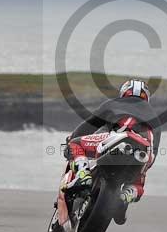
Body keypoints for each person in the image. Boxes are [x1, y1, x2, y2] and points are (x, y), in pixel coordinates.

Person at [62, 79, 161, 223]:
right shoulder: (155, 117)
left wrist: (71, 139)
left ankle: (83, 174)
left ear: (124, 92)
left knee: (75, 144)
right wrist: (145, 167)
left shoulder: (113, 104)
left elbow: (88, 126)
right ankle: (125, 197)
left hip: (118, 139)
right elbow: (155, 148)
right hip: (143, 152)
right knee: (137, 185)